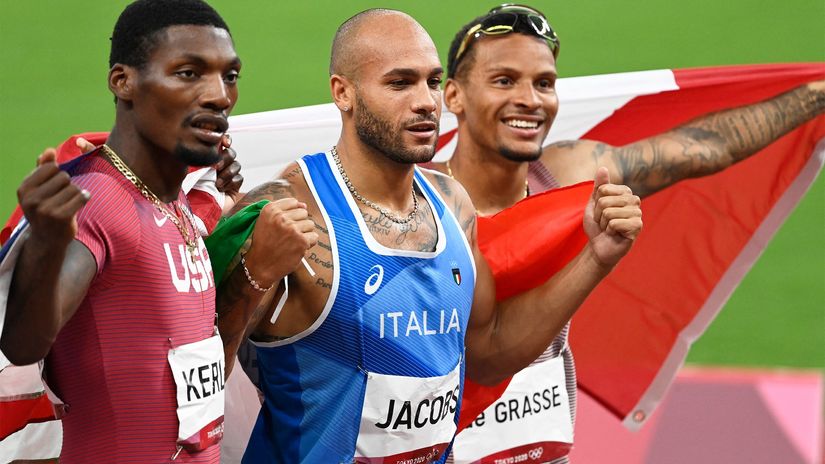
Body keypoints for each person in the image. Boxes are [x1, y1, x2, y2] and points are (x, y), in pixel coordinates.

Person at [222, 9, 641, 463]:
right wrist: (253, 275)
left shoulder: (452, 205)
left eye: (432, 82)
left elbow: (489, 353)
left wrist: (596, 257)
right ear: (343, 92)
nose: (426, 102)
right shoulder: (290, 211)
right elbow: (197, 376)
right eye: (400, 83)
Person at [430, 4, 825, 463]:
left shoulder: (572, 175)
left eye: (544, 83)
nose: (530, 100)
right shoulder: (414, 200)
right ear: (453, 96)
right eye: (504, 81)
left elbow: (703, 149)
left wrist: (816, 95)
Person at [0, 0, 317, 462]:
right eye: (188, 73)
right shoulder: (98, 202)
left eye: (230, 76)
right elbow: (25, 343)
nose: (219, 96)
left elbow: (200, 379)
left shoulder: (178, 207)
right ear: (123, 81)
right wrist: (46, 245)